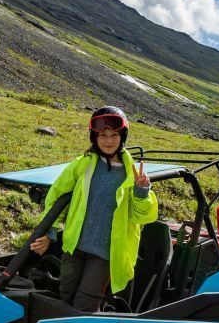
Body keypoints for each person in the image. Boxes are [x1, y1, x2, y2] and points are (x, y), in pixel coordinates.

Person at [29, 106, 158, 311]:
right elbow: (56, 199)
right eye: (102, 135)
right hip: (74, 247)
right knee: (66, 294)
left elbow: (144, 216)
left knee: (85, 303)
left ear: (122, 136)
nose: (108, 141)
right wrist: (49, 234)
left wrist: (142, 192)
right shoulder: (82, 165)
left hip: (105, 253)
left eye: (114, 135)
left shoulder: (131, 174)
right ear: (94, 137)